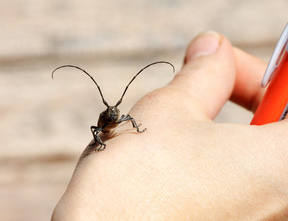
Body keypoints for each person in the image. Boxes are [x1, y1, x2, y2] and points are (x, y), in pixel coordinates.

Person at [51, 31, 288, 220]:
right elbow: (96, 130)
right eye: (111, 112)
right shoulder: (104, 122)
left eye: (115, 112)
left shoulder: (119, 117)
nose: (114, 113)